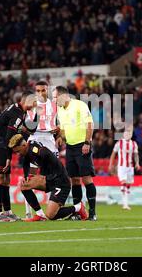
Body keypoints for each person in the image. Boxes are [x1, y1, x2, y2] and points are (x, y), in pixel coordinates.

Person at [0, 91, 38, 222]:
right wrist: (9, 157)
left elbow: (23, 131)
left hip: (2, 144)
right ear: (27, 101)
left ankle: (8, 211)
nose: (35, 105)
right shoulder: (17, 114)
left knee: (6, 179)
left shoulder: (20, 111)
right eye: (34, 102)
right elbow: (10, 137)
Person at [8, 134, 88, 221]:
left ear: (24, 145)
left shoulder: (34, 149)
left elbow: (46, 153)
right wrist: (27, 176)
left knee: (51, 215)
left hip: (61, 181)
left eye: (18, 151)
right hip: (51, 180)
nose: (18, 153)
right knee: (24, 185)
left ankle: (78, 207)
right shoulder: (27, 152)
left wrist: (44, 174)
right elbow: (26, 164)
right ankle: (40, 215)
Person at [54, 86, 97, 221]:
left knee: (86, 179)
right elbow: (64, 128)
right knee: (74, 180)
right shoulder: (60, 110)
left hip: (82, 146)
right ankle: (78, 212)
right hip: (70, 148)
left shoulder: (79, 105)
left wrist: (87, 143)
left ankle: (92, 212)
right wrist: (60, 136)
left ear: (63, 96)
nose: (54, 100)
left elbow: (90, 124)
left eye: (55, 97)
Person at [23, 81, 60, 220]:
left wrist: (58, 131)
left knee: (55, 174)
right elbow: (27, 127)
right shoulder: (31, 106)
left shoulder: (54, 106)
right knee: (30, 175)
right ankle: (29, 211)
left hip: (50, 140)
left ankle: (53, 208)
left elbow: (58, 124)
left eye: (43, 90)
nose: (40, 93)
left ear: (47, 90)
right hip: (35, 138)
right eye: (37, 91)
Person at [108, 129, 140, 210]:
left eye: (129, 133)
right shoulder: (119, 143)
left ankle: (125, 203)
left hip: (130, 167)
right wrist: (110, 164)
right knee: (124, 183)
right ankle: (125, 204)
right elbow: (113, 154)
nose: (128, 134)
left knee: (128, 185)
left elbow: (136, 155)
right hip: (122, 166)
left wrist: (137, 163)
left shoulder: (134, 144)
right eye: (126, 133)